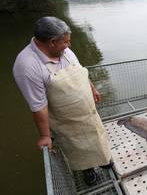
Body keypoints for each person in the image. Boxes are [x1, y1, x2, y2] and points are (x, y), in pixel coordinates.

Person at [13, 17, 112, 186]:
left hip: (88, 111)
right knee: (77, 144)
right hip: (66, 120)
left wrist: (92, 89)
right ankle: (87, 169)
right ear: (52, 42)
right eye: (65, 42)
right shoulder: (27, 66)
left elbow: (80, 71)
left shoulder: (64, 51)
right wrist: (45, 136)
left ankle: (103, 159)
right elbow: (38, 106)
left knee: (96, 133)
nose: (69, 45)